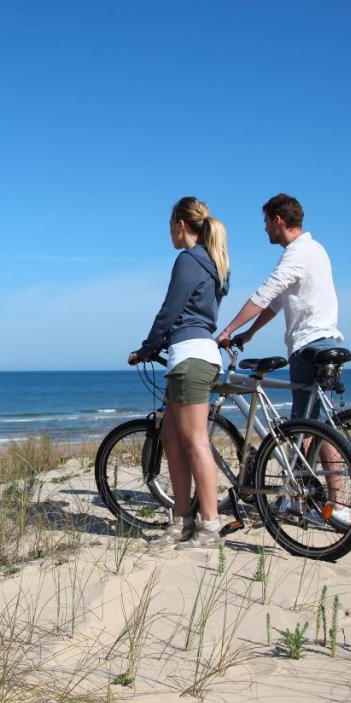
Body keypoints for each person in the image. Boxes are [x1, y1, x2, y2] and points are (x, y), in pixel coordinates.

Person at [217, 192, 351, 524]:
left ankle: (334, 504)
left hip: (309, 346)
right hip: (325, 341)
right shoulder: (316, 249)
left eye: (265, 223)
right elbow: (278, 303)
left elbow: (263, 295)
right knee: (316, 427)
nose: (264, 230)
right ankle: (321, 502)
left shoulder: (297, 254)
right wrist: (249, 334)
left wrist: (228, 329)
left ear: (279, 220)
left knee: (308, 429)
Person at [128, 196, 229, 548]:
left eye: (170, 226)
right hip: (189, 357)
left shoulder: (189, 260)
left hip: (190, 357)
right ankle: (181, 518)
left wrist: (146, 347)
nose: (169, 233)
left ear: (180, 225)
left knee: (195, 440)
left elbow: (169, 311)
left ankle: (210, 525)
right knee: (171, 436)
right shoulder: (212, 260)